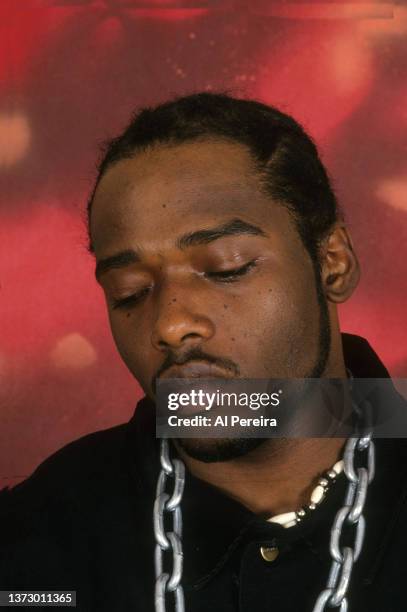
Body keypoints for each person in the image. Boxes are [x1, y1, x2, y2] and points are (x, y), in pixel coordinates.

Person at [0, 93, 406, 612]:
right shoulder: (40, 539)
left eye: (226, 268)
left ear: (332, 263)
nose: (170, 324)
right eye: (130, 291)